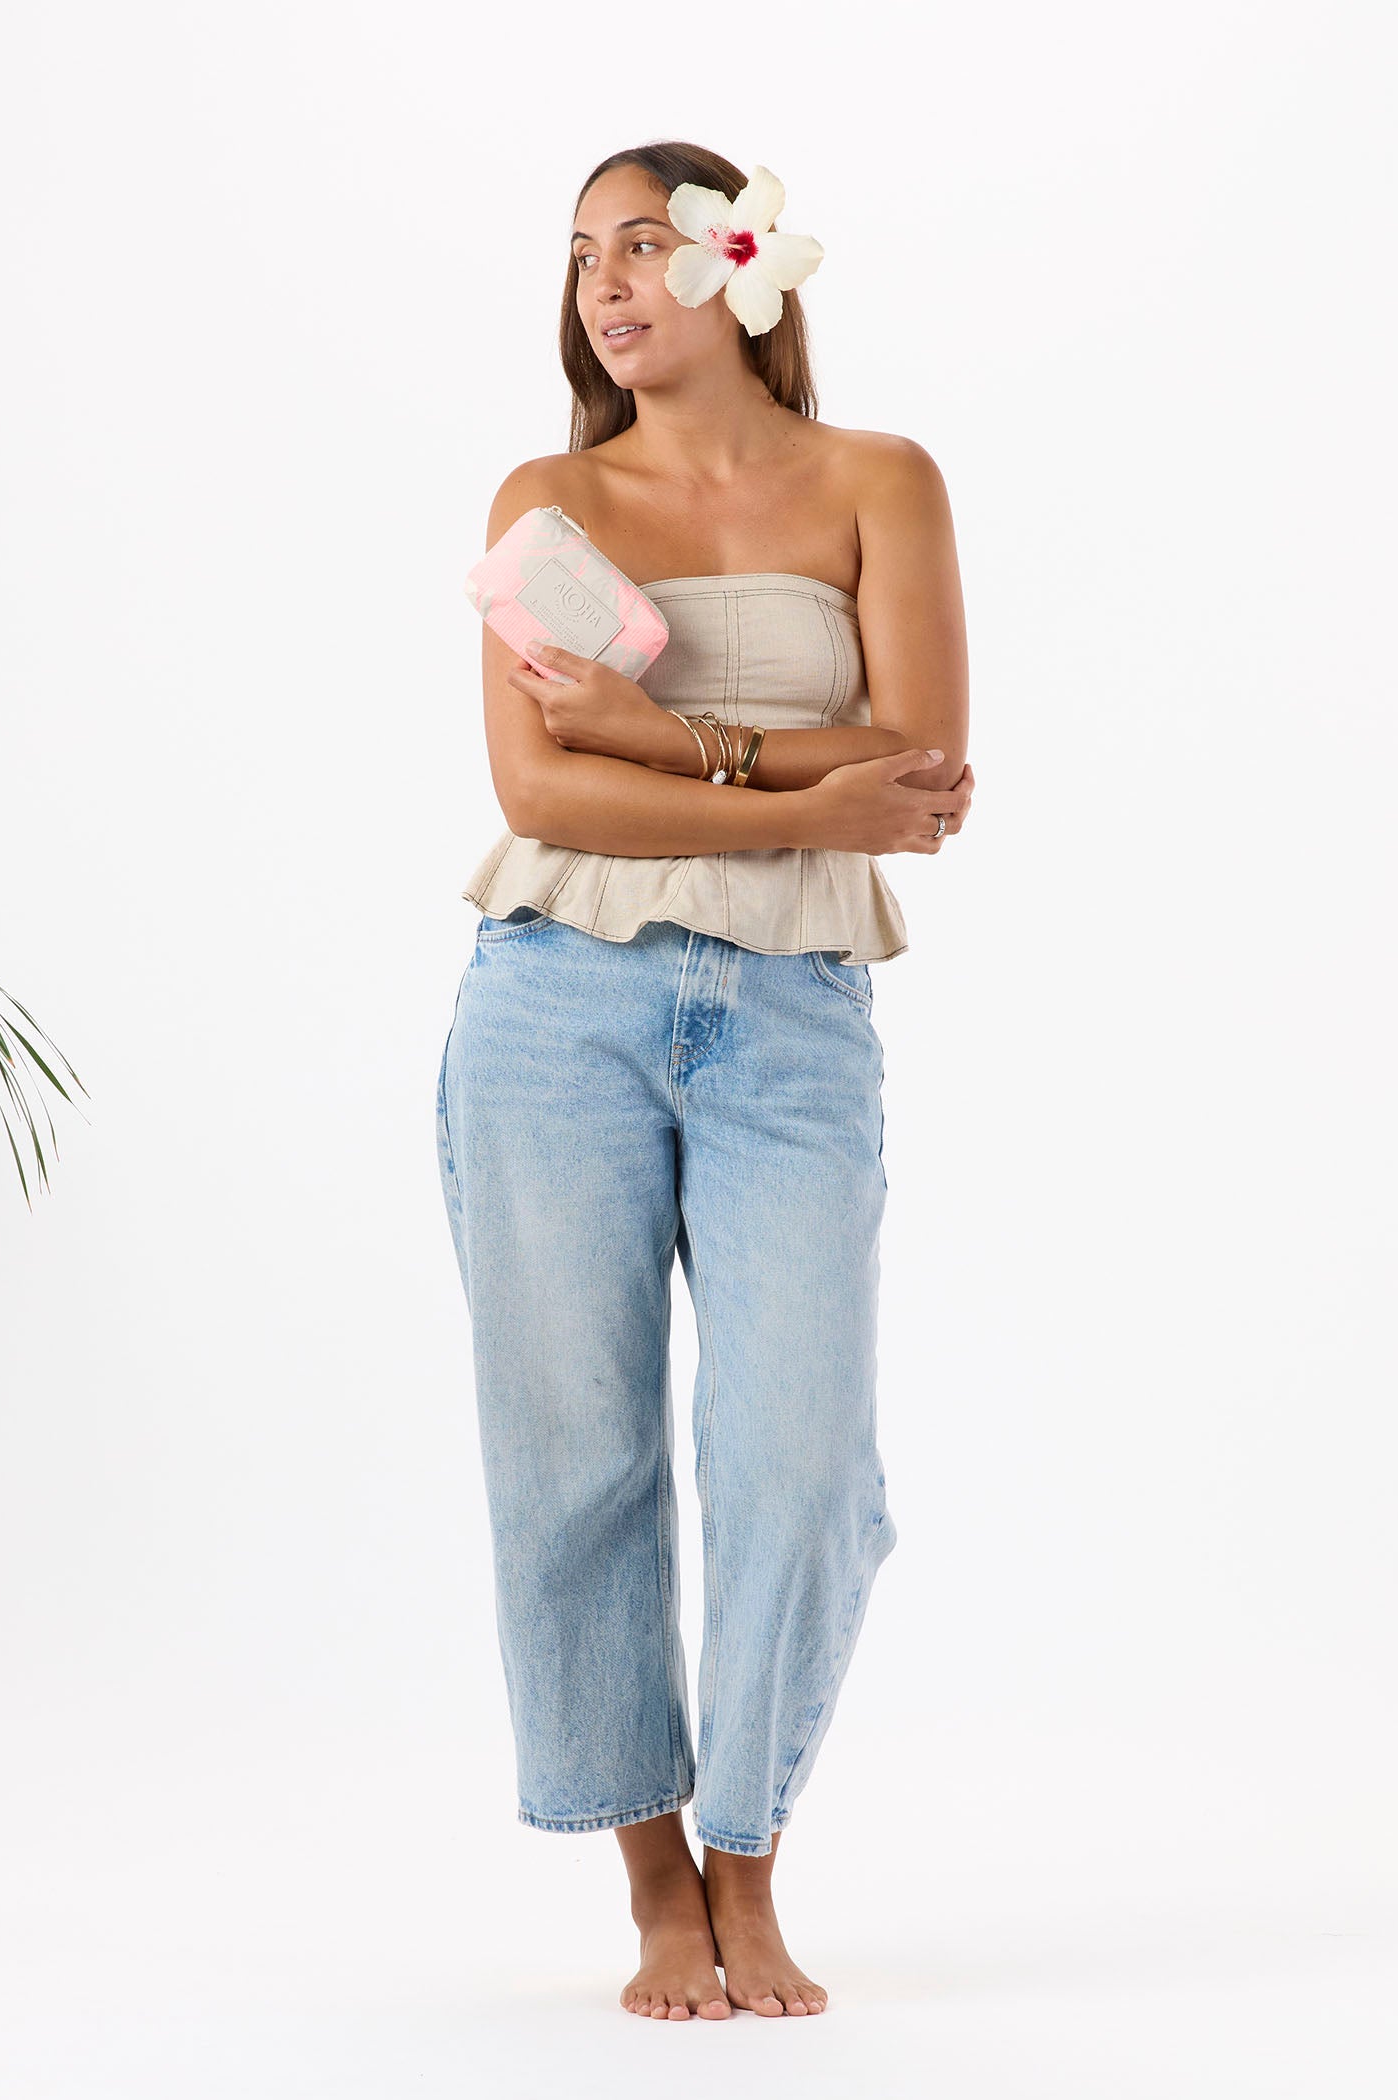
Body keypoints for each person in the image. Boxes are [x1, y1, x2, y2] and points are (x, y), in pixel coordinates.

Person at [433, 139, 974, 2022]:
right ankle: (660, 1884)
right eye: (581, 252)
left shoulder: (881, 481)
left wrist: (668, 737)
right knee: (573, 1460)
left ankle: (750, 1852)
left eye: (645, 243)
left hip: (792, 1019)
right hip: (552, 1004)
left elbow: (922, 769)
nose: (605, 280)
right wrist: (791, 781)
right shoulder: (549, 499)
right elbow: (542, 792)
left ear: (745, 270)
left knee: (802, 1463)